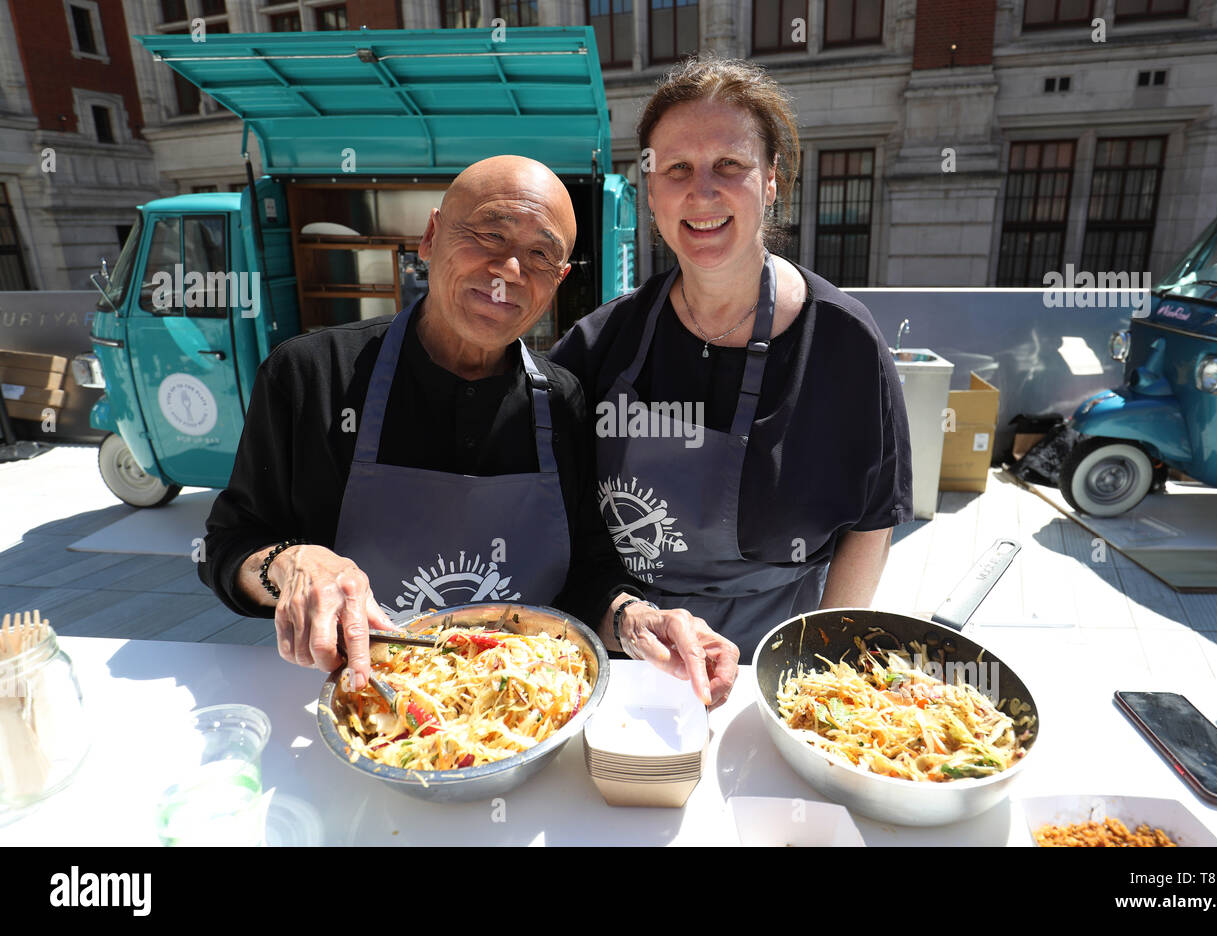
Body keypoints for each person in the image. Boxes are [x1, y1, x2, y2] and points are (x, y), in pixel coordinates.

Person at [199, 156, 739, 707]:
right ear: (430, 237)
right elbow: (227, 545)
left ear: (558, 281)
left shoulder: (564, 402)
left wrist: (636, 619)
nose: (508, 269)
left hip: (521, 712)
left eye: (540, 255)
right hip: (352, 705)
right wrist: (295, 563)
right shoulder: (311, 375)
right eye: (489, 234)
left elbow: (586, 577)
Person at [550, 59, 913, 661]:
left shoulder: (845, 344)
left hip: (779, 658)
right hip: (631, 658)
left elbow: (872, 522)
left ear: (771, 181)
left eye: (730, 165)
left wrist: (818, 664)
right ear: (650, 189)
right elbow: (550, 511)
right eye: (678, 169)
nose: (702, 192)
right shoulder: (600, 344)